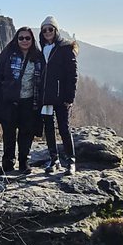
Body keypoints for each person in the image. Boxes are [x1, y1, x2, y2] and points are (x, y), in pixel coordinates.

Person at [0, 26, 44, 176]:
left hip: (29, 101)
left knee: (27, 133)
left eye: (27, 38)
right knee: (9, 133)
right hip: (9, 100)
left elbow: (43, 80)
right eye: (21, 38)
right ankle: (7, 164)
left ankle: (24, 162)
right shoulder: (9, 54)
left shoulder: (38, 56)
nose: (24, 41)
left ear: (32, 39)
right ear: (16, 39)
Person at [39, 16, 78, 175]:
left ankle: (71, 161)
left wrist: (70, 98)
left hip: (61, 97)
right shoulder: (41, 48)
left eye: (50, 29)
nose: (48, 32)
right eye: (45, 30)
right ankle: (54, 159)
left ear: (56, 30)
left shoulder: (65, 47)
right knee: (48, 128)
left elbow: (72, 75)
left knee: (64, 128)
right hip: (46, 97)